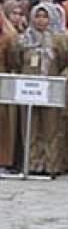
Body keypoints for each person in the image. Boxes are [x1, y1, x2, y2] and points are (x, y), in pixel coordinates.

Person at [14, 3, 68, 176]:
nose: (41, 20)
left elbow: (63, 61)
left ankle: (51, 164)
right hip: (28, 88)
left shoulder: (59, 40)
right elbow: (15, 60)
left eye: (45, 17)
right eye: (37, 16)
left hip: (50, 87)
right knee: (30, 126)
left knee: (51, 127)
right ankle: (32, 163)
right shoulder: (23, 40)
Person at [0, 9, 18, 172]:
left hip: (2, 81)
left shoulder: (8, 36)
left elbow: (13, 61)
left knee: (3, 122)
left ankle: (4, 159)